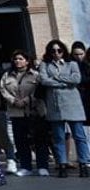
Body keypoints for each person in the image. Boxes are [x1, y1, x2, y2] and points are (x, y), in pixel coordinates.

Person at [38, 40, 88, 174]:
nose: (56, 53)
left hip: (73, 103)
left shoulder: (71, 64)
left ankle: (84, 163)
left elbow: (76, 79)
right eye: (53, 51)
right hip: (55, 104)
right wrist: (65, 81)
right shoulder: (45, 65)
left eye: (59, 50)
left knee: (79, 136)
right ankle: (62, 164)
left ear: (64, 51)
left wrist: (57, 77)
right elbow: (44, 80)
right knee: (59, 137)